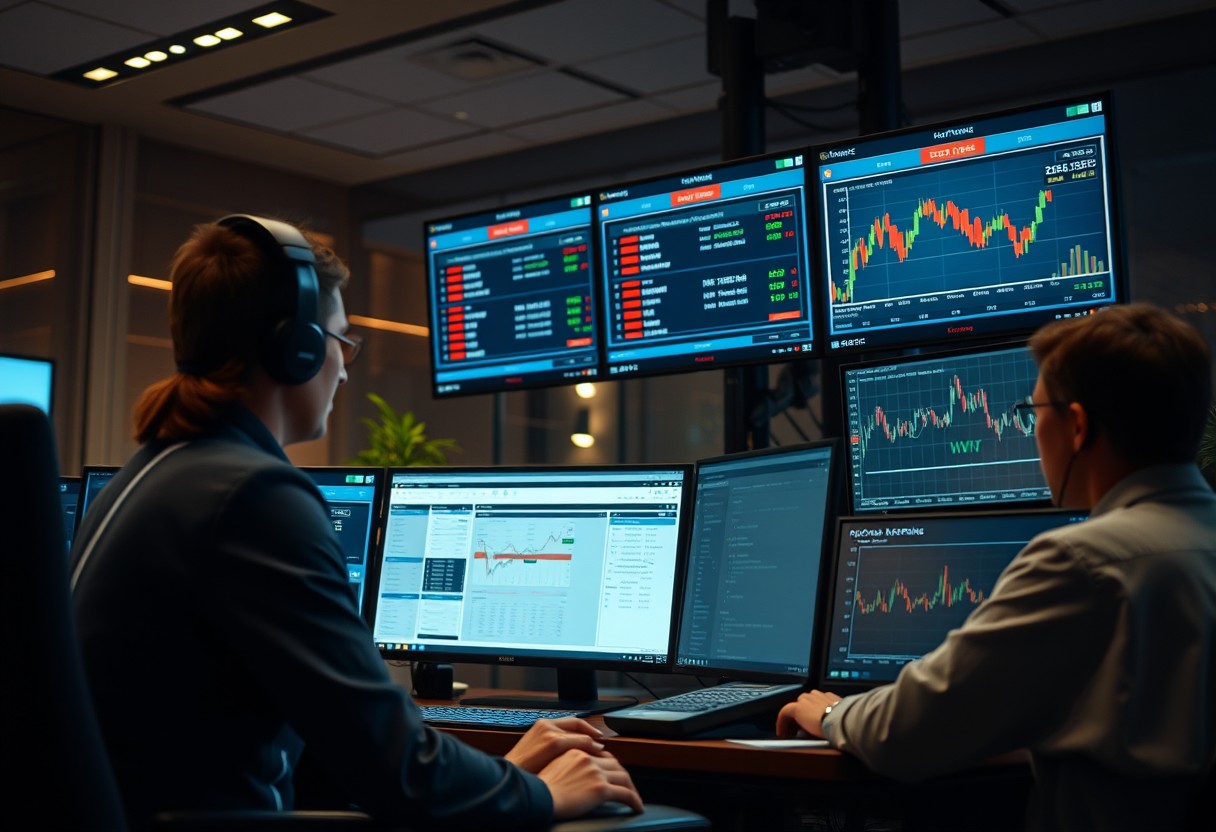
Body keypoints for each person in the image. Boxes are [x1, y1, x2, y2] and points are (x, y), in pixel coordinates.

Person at [71, 215, 643, 831]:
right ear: (298, 349)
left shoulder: (153, 474)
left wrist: (507, 773)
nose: (344, 368)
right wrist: (542, 795)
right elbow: (397, 773)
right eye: (339, 341)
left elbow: (343, 739)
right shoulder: (253, 495)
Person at [778, 303, 1216, 831]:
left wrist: (828, 714)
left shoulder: (1079, 562)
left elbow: (908, 732)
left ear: (1077, 426)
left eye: (1033, 414)